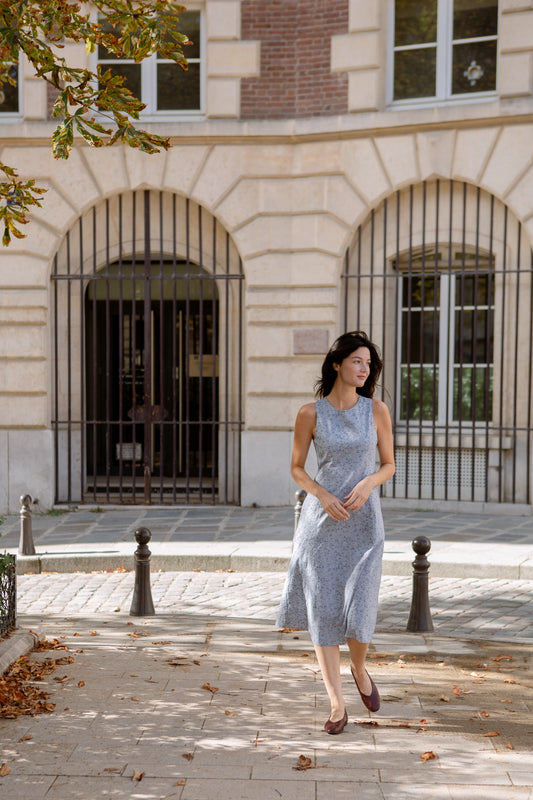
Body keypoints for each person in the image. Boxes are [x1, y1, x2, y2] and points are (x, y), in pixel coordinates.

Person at [277, 331, 395, 734]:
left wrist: (368, 483)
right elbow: (296, 467)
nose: (364, 369)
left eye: (368, 364)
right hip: (321, 525)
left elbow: (389, 464)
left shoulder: (376, 410)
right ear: (336, 364)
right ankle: (336, 704)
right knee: (323, 610)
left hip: (364, 524)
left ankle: (359, 668)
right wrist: (321, 493)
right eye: (357, 361)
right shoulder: (310, 413)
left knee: (361, 610)